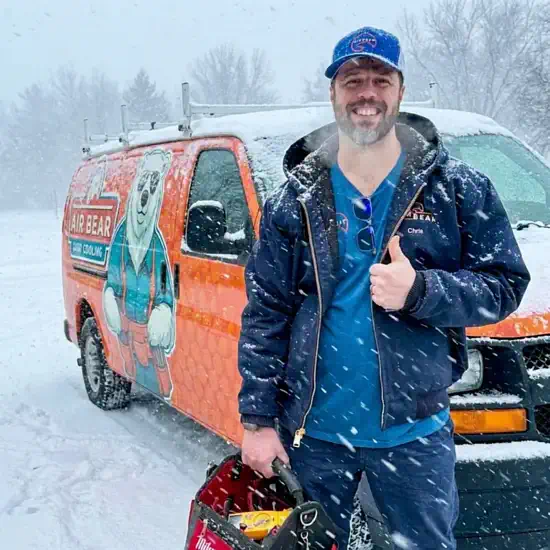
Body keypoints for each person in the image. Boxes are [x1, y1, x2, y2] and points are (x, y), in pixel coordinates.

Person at [237, 25, 530, 550]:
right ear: (333, 93)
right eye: (352, 81)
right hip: (312, 436)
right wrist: (257, 420)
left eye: (380, 79)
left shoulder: (456, 189)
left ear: (400, 90)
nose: (366, 93)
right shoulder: (297, 198)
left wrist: (421, 291)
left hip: (414, 434)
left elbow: (504, 285)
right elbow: (266, 311)